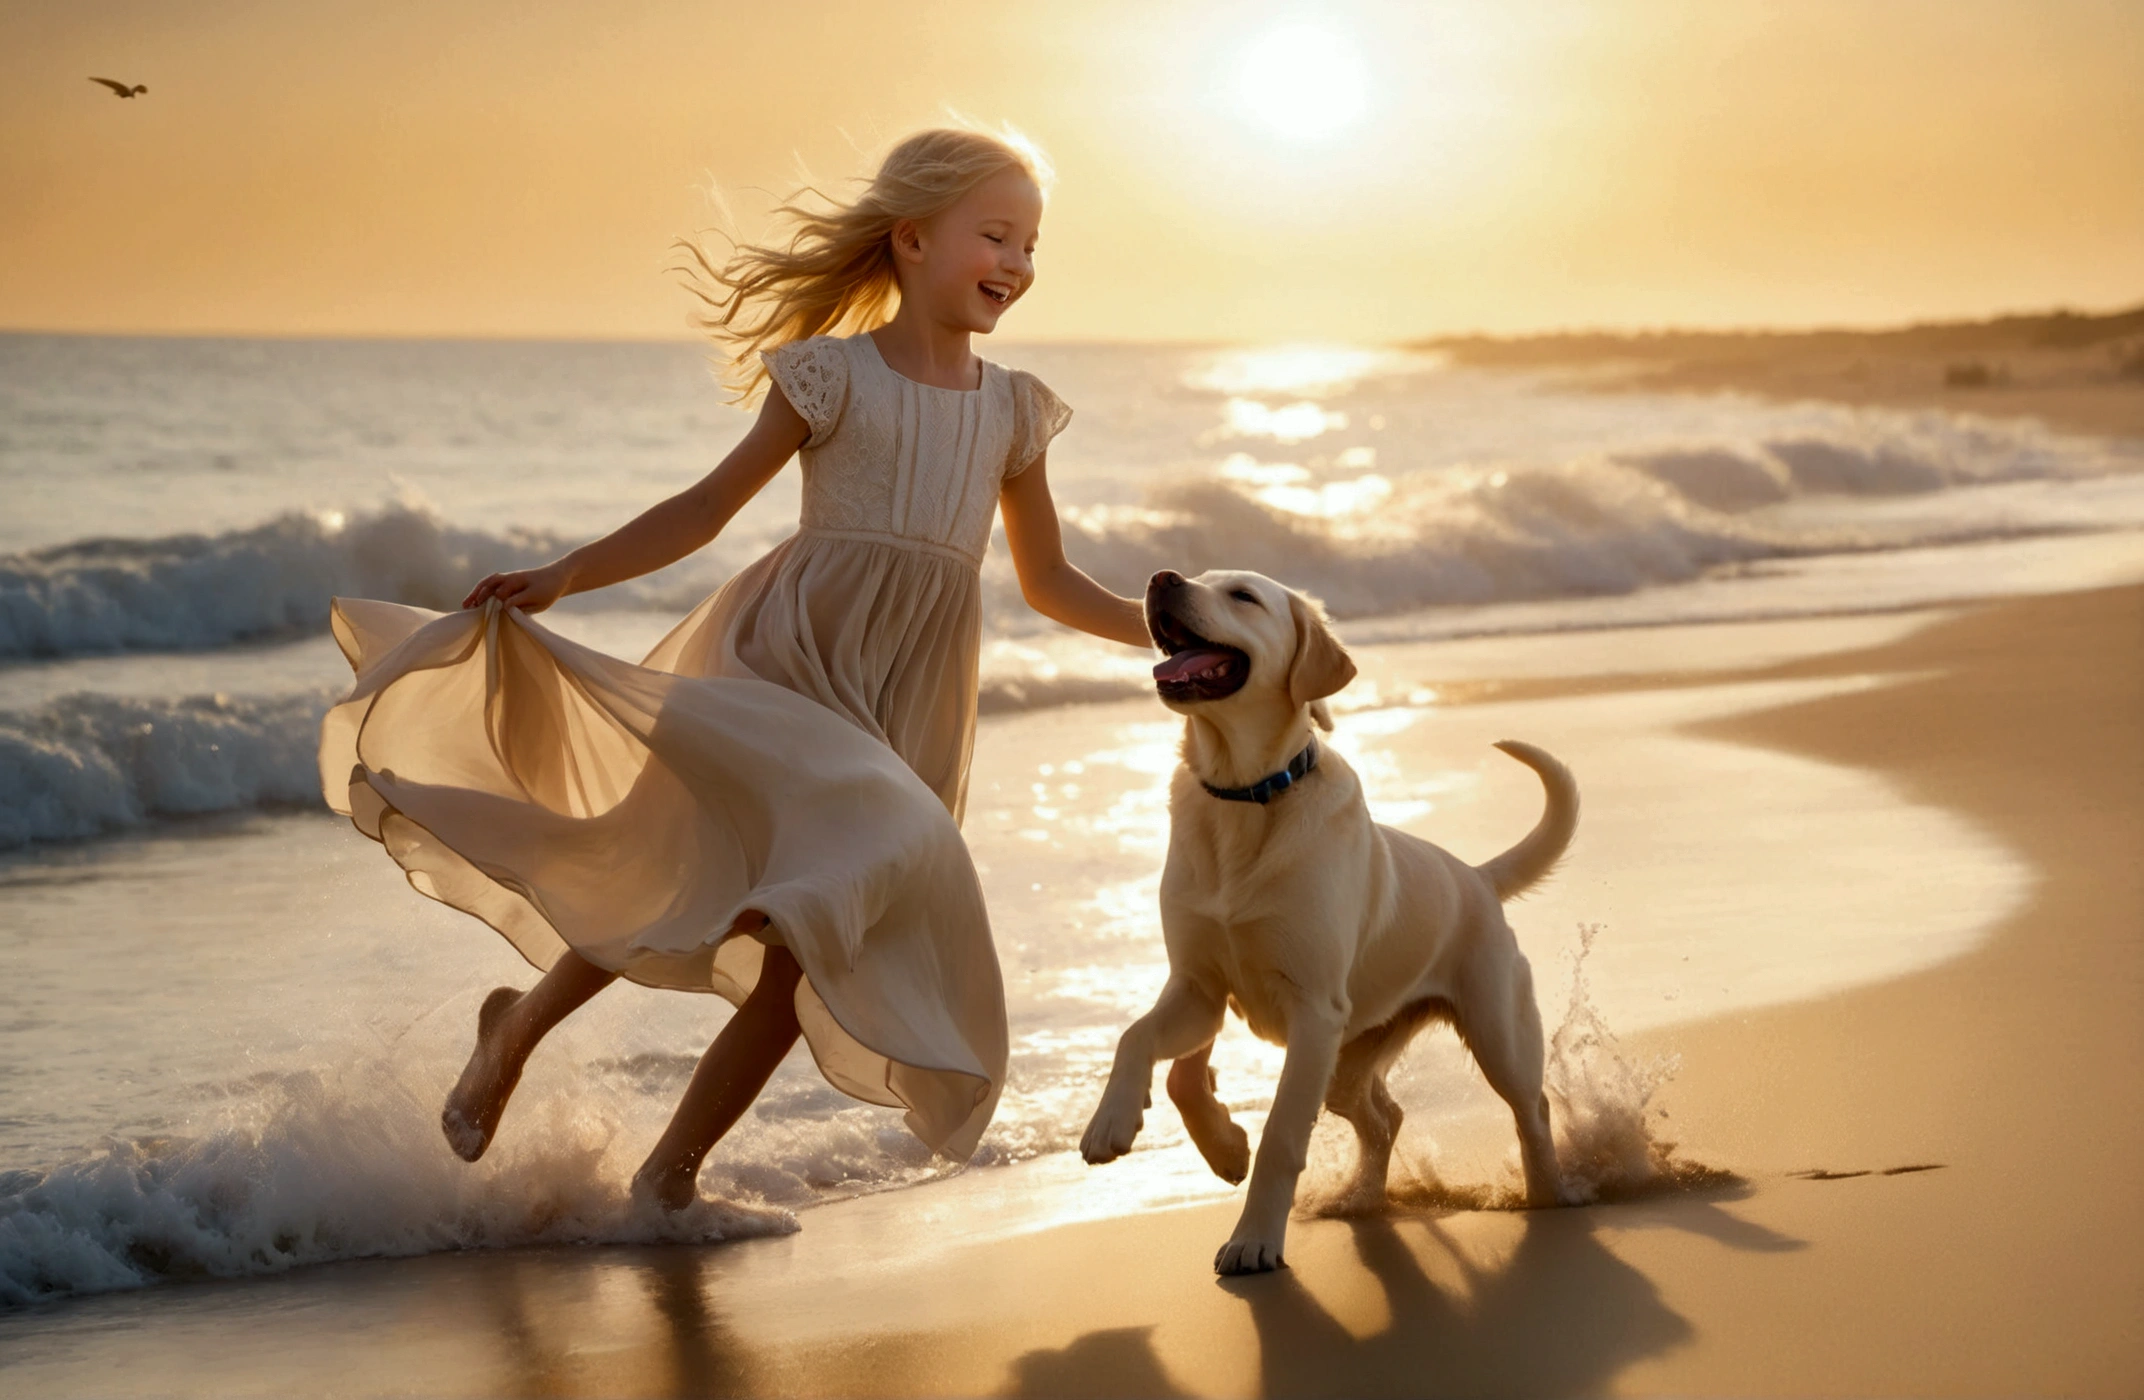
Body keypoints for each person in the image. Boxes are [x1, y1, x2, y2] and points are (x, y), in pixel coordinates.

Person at [317, 125, 1153, 1212]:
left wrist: (1173, 636)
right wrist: (569, 573)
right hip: (787, 672)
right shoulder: (830, 375)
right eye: (994, 235)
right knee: (669, 874)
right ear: (909, 239)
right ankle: (511, 1037)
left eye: (1032, 244)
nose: (1017, 263)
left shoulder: (1014, 410)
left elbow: (1048, 580)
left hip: (902, 708)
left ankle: (666, 1173)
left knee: (804, 940)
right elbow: (706, 508)